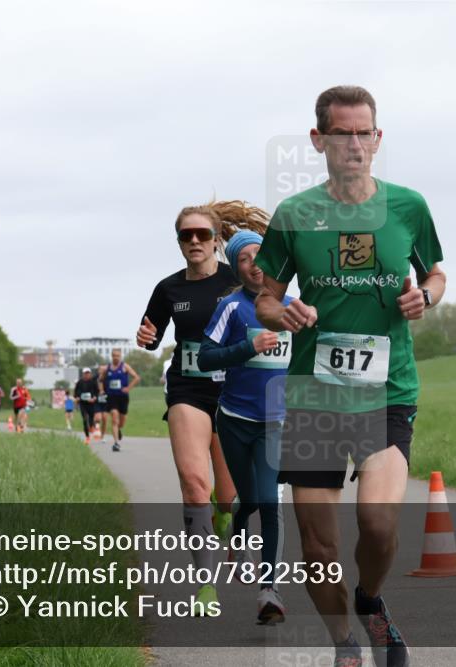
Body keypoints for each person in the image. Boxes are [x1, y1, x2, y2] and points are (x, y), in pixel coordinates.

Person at [255, 85, 446, 667]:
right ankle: (345, 645)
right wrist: (283, 312)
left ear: (378, 138)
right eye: (343, 134)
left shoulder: (408, 207)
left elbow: (436, 274)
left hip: (386, 392)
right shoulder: (295, 215)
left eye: (366, 133)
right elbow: (265, 297)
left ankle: (369, 600)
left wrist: (425, 298)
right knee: (318, 548)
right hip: (314, 396)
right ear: (319, 140)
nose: (356, 145)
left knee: (379, 522)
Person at [136, 200, 267, 611]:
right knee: (194, 485)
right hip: (187, 390)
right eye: (186, 235)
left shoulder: (236, 279)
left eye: (202, 234)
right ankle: (206, 585)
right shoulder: (168, 289)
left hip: (233, 392)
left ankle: (227, 520)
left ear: (215, 240)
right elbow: (153, 335)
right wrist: (146, 338)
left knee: (228, 496)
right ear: (179, 242)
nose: (194, 240)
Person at [198, 230, 292, 626]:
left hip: (275, 423)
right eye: (244, 258)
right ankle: (237, 528)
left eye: (260, 255)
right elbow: (205, 358)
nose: (254, 264)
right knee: (249, 499)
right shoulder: (232, 308)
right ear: (236, 268)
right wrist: (247, 348)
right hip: (235, 420)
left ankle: (269, 590)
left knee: (270, 502)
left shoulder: (291, 306)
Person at [102, 348, 141, 452]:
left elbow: (136, 377)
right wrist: (102, 389)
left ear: (120, 356)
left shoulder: (125, 366)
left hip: (123, 397)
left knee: (122, 422)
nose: (116, 357)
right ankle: (116, 443)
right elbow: (100, 379)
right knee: (114, 418)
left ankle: (119, 429)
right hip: (111, 397)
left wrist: (128, 388)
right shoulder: (107, 368)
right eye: (114, 355)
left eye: (118, 355)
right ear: (111, 356)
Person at [73, 367, 99, 443]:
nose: (86, 375)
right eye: (85, 373)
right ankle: (87, 437)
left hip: (91, 403)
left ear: (90, 374)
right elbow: (76, 392)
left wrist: (94, 398)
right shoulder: (80, 382)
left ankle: (91, 426)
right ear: (83, 374)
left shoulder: (93, 382)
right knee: (84, 419)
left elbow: (97, 391)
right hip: (83, 403)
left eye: (88, 373)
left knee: (91, 419)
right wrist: (77, 397)